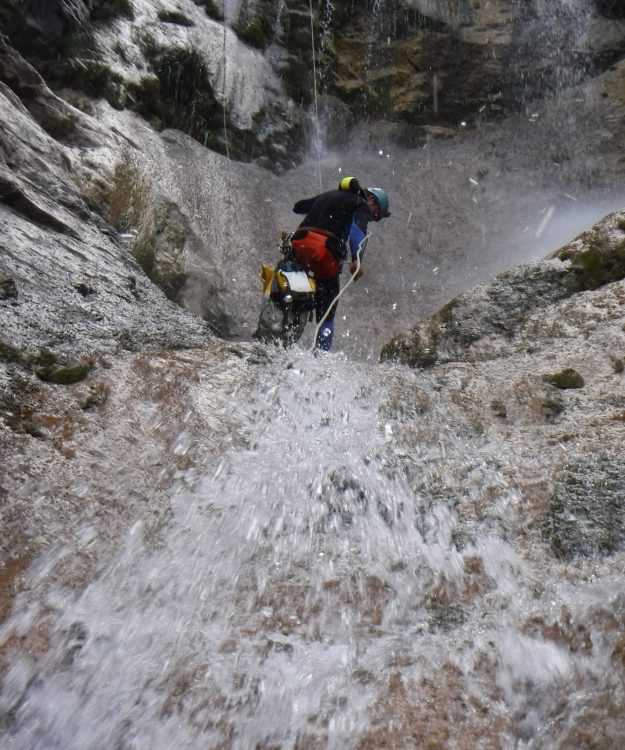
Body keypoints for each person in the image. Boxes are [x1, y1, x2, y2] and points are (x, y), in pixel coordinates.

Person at [290, 177, 390, 351]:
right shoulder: (361, 204)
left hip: (299, 243)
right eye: (376, 215)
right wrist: (357, 259)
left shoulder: (330, 195)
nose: (372, 218)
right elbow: (356, 231)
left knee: (291, 276)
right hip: (323, 249)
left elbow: (299, 207)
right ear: (372, 199)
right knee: (329, 302)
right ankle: (321, 354)